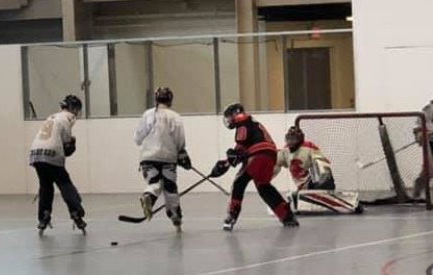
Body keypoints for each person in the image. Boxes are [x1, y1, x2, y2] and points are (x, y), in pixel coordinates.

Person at [210, 103, 298, 231]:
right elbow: (240, 152)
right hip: (270, 155)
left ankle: (231, 216)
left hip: (258, 155)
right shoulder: (252, 122)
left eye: (229, 116)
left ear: (235, 114)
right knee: (264, 187)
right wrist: (226, 163)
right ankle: (287, 216)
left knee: (239, 182)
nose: (228, 120)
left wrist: (227, 163)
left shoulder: (242, 122)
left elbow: (240, 150)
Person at [134, 87, 191, 232]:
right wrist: (181, 153)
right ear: (170, 100)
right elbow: (179, 139)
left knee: (154, 182)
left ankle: (149, 195)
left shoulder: (147, 114)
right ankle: (175, 217)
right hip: (168, 158)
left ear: (156, 99)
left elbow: (138, 138)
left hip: (148, 158)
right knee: (170, 186)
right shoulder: (175, 116)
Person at [29, 95, 87, 234]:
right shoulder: (68, 117)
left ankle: (44, 216)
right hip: (52, 152)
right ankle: (76, 212)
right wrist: (71, 143)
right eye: (77, 110)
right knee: (64, 183)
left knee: (45, 186)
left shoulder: (52, 116)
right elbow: (66, 142)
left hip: (36, 153)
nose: (76, 114)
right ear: (73, 108)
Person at [274, 126, 362, 214]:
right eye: (289, 139)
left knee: (318, 163)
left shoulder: (308, 146)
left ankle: (324, 194)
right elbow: (276, 164)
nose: (290, 142)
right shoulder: (285, 151)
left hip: (318, 182)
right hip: (303, 188)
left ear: (300, 139)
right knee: (294, 196)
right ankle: (313, 197)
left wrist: (323, 180)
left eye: (293, 139)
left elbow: (323, 163)